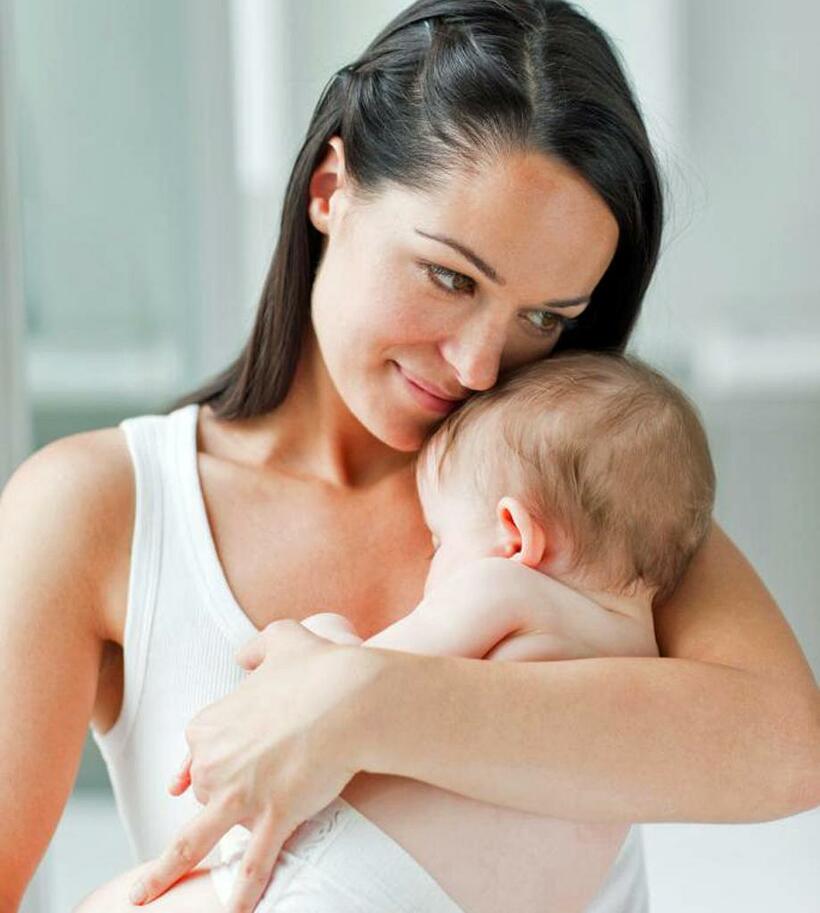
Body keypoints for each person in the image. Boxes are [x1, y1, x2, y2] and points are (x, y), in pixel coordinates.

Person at [1, 2, 816, 912]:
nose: (479, 364)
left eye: (544, 317)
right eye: (449, 276)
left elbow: (786, 750)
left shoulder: (577, 487)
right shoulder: (102, 507)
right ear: (329, 188)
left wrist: (362, 701)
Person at [207, 349, 717, 913]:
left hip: (350, 890)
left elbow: (354, 682)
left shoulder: (505, 588)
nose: (433, 561)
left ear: (514, 535)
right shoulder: (650, 666)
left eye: (440, 539)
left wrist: (309, 641)